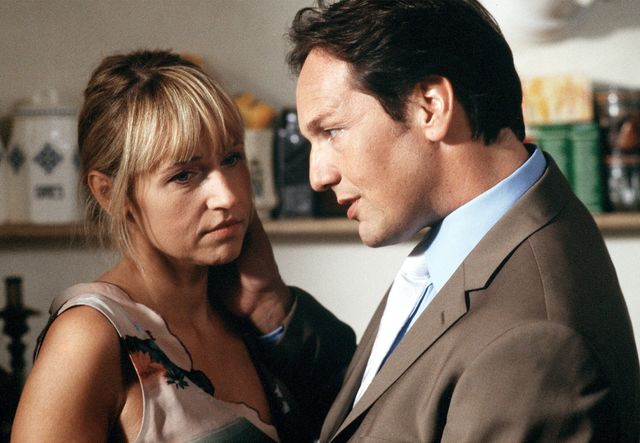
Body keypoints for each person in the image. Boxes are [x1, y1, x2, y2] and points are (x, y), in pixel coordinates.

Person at [276, 0, 640, 441]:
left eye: (332, 131)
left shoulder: (533, 344)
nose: (317, 176)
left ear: (431, 107)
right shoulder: (482, 237)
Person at [10, 50, 355, 442]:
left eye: (232, 158)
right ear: (109, 194)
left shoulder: (246, 320)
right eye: (184, 175)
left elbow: (362, 412)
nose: (226, 196)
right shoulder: (89, 337)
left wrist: (268, 301)